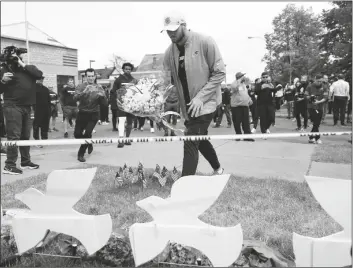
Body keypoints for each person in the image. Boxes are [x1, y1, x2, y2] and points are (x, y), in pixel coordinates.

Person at [162, 10, 224, 176]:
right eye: (168, 30)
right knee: (200, 139)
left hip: (206, 103)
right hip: (187, 107)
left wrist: (200, 98)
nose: (170, 34)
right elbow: (166, 82)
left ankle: (184, 185)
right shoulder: (169, 52)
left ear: (184, 25)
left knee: (190, 141)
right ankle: (218, 169)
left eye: (174, 29)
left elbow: (219, 73)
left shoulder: (205, 41)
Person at [0, 47, 43, 175]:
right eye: (13, 57)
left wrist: (21, 63)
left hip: (27, 106)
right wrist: (2, 81)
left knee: (25, 136)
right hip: (12, 105)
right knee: (14, 136)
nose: (15, 59)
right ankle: (9, 165)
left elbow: (39, 75)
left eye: (17, 56)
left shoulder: (28, 69)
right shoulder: (4, 69)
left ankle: (25, 161)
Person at [73, 68, 108, 162]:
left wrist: (103, 97)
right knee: (77, 135)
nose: (91, 78)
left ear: (95, 76)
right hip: (82, 113)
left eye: (92, 76)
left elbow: (105, 104)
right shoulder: (80, 86)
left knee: (87, 133)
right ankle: (89, 143)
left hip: (94, 114)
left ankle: (80, 154)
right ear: (85, 77)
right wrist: (84, 91)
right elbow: (75, 98)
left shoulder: (99, 87)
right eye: (89, 76)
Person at [112, 62, 137, 148]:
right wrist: (116, 102)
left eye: (129, 69)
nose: (127, 70)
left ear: (131, 70)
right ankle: (121, 140)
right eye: (126, 69)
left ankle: (127, 139)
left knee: (130, 122)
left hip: (131, 104)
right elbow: (113, 91)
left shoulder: (134, 80)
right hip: (121, 104)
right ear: (123, 69)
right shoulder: (118, 80)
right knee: (121, 121)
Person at [230, 72, 254, 141]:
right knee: (237, 122)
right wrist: (239, 81)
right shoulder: (234, 83)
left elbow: (245, 94)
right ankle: (238, 135)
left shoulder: (243, 85)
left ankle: (247, 136)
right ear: (239, 77)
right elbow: (234, 88)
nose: (244, 77)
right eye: (243, 76)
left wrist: (249, 99)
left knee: (246, 122)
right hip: (236, 106)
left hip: (245, 106)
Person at [306, 74, 328, 144]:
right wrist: (310, 97)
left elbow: (325, 98)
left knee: (317, 124)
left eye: (321, 81)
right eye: (318, 81)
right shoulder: (309, 86)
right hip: (311, 107)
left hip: (320, 107)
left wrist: (318, 102)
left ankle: (311, 137)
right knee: (315, 123)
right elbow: (305, 96)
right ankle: (317, 138)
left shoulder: (324, 87)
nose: (319, 83)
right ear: (315, 80)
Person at [32, 76, 51, 147]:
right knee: (36, 126)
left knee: (45, 126)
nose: (41, 80)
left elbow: (48, 100)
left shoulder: (46, 89)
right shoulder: (33, 88)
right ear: (36, 80)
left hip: (46, 110)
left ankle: (44, 139)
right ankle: (37, 141)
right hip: (37, 110)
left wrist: (49, 111)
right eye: (40, 79)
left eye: (42, 79)